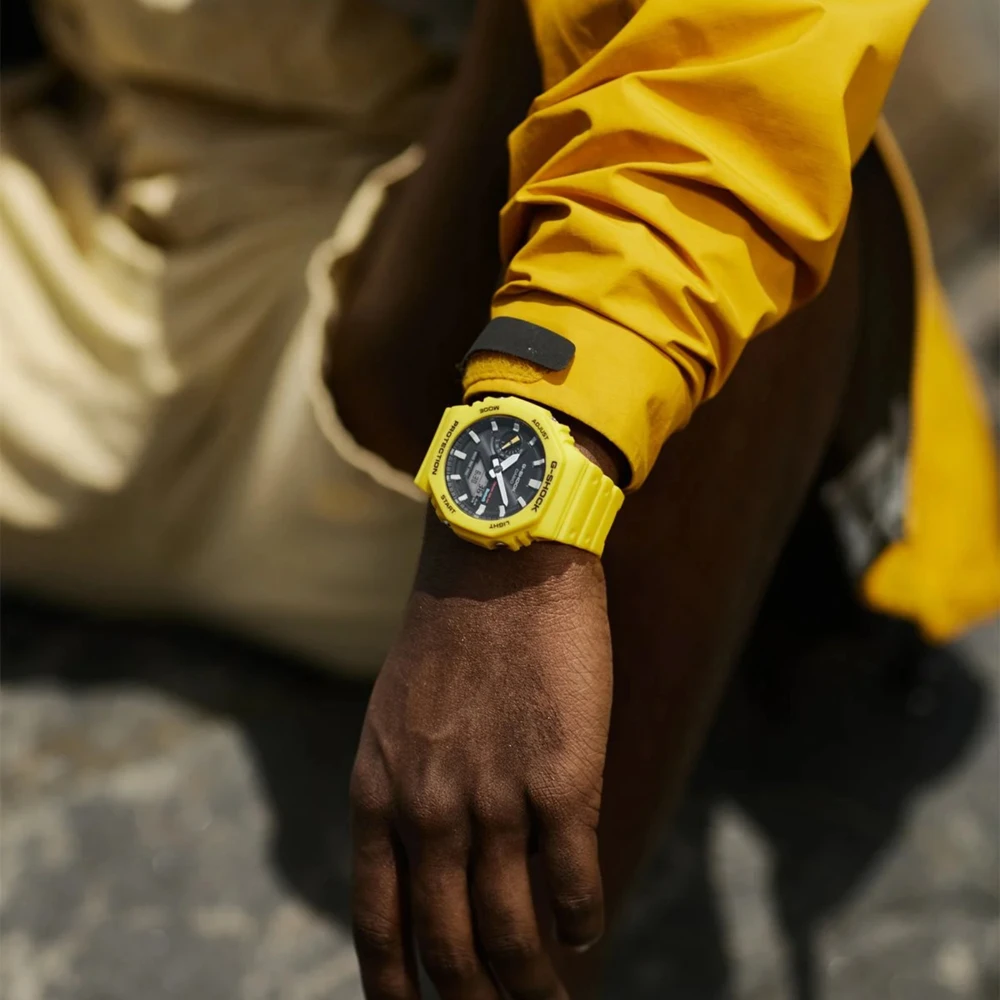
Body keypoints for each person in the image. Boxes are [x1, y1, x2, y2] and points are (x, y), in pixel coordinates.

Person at [1, 0, 997, 998]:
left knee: (726, 212)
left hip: (423, 350)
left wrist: (515, 534)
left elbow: (724, 92)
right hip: (68, 245)